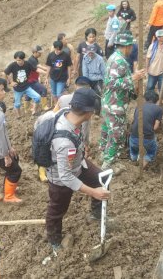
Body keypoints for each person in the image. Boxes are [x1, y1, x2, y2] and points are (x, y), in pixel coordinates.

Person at [44, 88, 111, 252]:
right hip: (61, 178)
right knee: (57, 211)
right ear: (87, 112)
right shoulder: (64, 142)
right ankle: (55, 242)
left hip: (78, 164)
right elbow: (66, 177)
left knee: (99, 178)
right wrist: (93, 192)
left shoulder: (68, 110)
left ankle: (96, 214)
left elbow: (65, 97)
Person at [100, 32, 146, 170]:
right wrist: (133, 78)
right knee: (116, 135)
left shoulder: (115, 58)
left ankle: (105, 154)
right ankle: (108, 164)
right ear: (127, 46)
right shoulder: (119, 61)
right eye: (131, 45)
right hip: (115, 104)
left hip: (110, 102)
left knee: (107, 130)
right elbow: (112, 83)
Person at [129, 90, 163, 168]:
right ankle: (142, 166)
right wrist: (151, 132)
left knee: (133, 150)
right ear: (157, 100)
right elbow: (156, 127)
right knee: (152, 151)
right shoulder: (159, 109)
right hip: (147, 138)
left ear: (145, 98)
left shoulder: (139, 106)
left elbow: (134, 120)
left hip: (134, 136)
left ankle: (133, 160)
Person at [4, 51, 41, 116]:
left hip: (27, 87)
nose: (18, 61)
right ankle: (19, 115)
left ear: (23, 59)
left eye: (20, 60)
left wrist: (46, 72)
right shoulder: (13, 65)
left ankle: (34, 110)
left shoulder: (27, 64)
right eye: (17, 60)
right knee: (17, 104)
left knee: (37, 97)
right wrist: (10, 82)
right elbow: (5, 73)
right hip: (18, 88)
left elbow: (35, 70)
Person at [25, 45, 50, 111]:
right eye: (39, 53)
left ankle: (26, 109)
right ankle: (44, 106)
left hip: (31, 80)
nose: (40, 54)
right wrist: (47, 71)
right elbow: (38, 69)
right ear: (35, 52)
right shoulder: (32, 60)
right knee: (43, 89)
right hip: (31, 81)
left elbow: (39, 67)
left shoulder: (34, 59)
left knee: (29, 95)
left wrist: (47, 70)